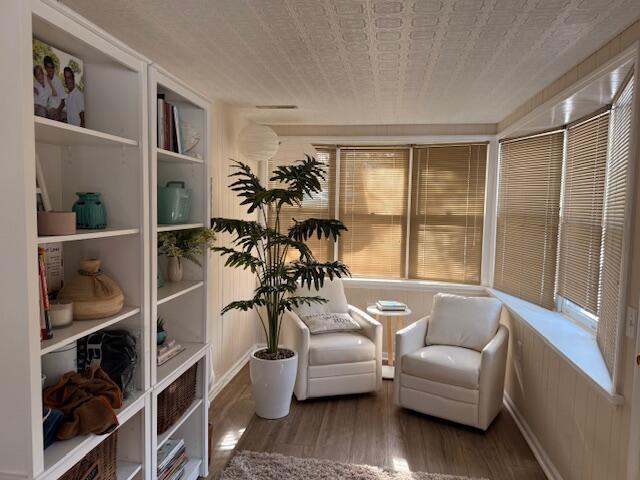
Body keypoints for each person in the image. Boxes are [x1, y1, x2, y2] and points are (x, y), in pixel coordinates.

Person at [43, 56, 66, 122]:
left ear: (54, 68)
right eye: (48, 67)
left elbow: (63, 101)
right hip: (49, 110)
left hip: (60, 109)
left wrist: (57, 111)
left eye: (52, 67)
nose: (50, 69)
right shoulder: (44, 80)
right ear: (45, 68)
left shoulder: (58, 81)